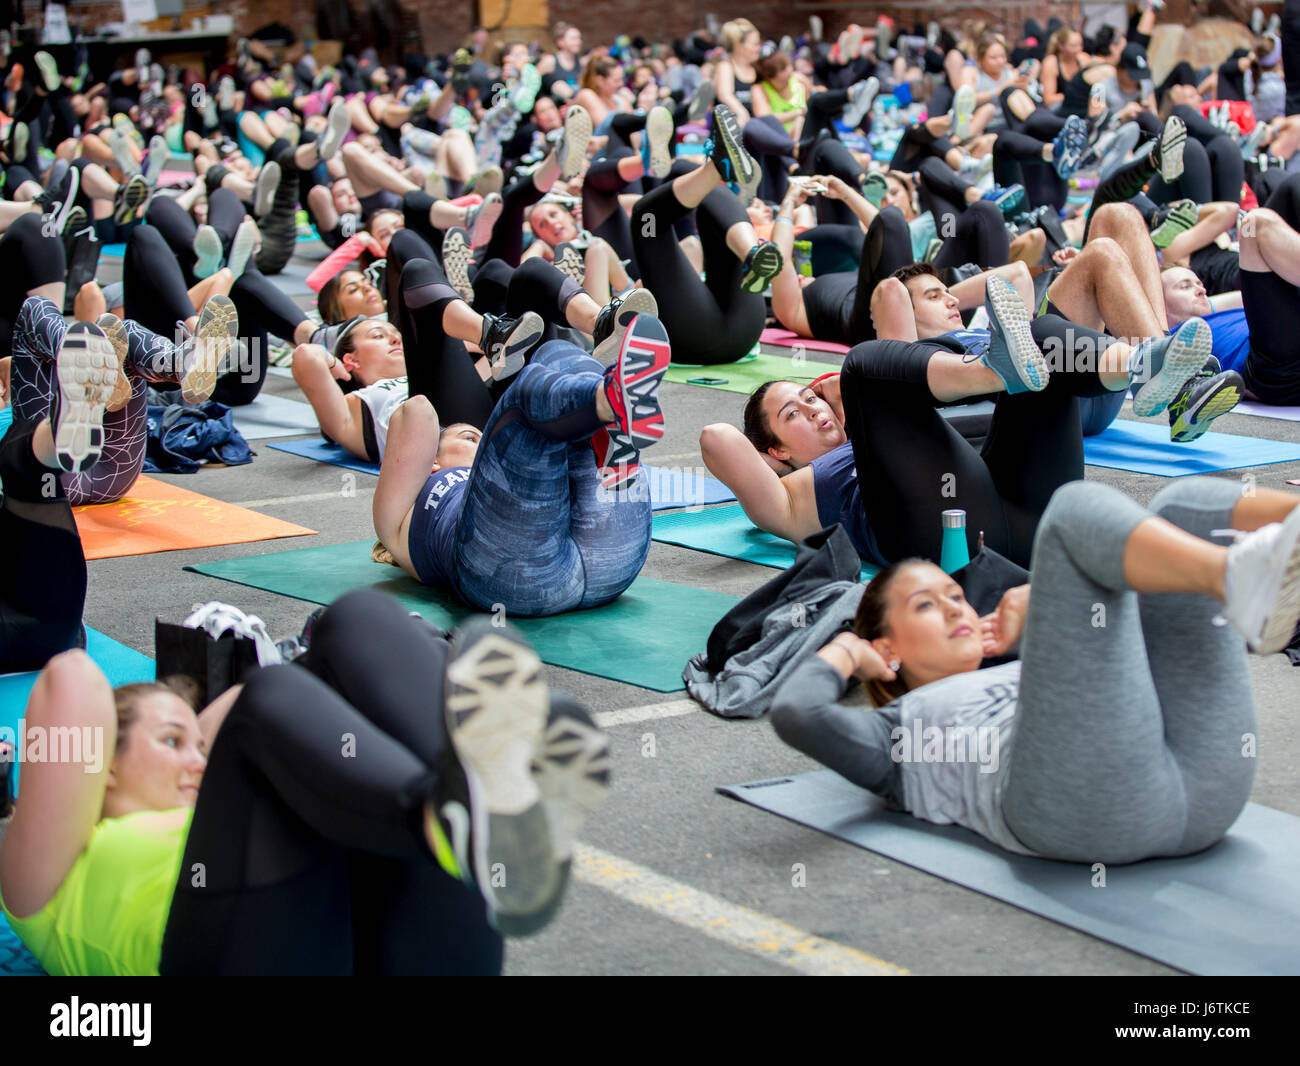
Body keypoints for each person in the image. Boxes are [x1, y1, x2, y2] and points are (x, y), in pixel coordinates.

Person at [0, 588, 611, 974]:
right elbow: (71, 679)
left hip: (392, 949)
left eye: (194, 744)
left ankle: (482, 796)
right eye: (169, 742)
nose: (195, 759)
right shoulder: (51, 880)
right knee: (269, 698)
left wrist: (326, 661)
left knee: (356, 617)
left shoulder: (236, 809)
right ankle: (452, 814)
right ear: (101, 768)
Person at [770, 475, 1300, 863]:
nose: (957, 607)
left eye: (955, 595)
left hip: (1207, 789)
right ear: (888, 650)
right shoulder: (894, 735)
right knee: (1068, 513)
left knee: (1181, 507)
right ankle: (1240, 581)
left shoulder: (1024, 669)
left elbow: (1145, 649)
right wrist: (848, 651)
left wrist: (1039, 605)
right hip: (1086, 816)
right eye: (926, 606)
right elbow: (797, 713)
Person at [703, 269, 1232, 570]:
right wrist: (844, 388)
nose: (814, 408)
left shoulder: (894, 433)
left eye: (810, 398)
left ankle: (1140, 366)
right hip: (950, 545)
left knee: (1042, 329)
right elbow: (716, 438)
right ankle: (993, 370)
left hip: (1028, 519)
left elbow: (891, 301)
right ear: (775, 452)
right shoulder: (792, 496)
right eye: (793, 413)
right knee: (864, 363)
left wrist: (844, 401)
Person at [372, 314, 671, 616]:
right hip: (511, 577)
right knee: (520, 402)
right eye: (468, 437)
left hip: (611, 560)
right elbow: (416, 411)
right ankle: (607, 406)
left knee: (557, 353)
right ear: (432, 460)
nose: (481, 445)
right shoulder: (397, 528)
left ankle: (607, 408)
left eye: (479, 438)